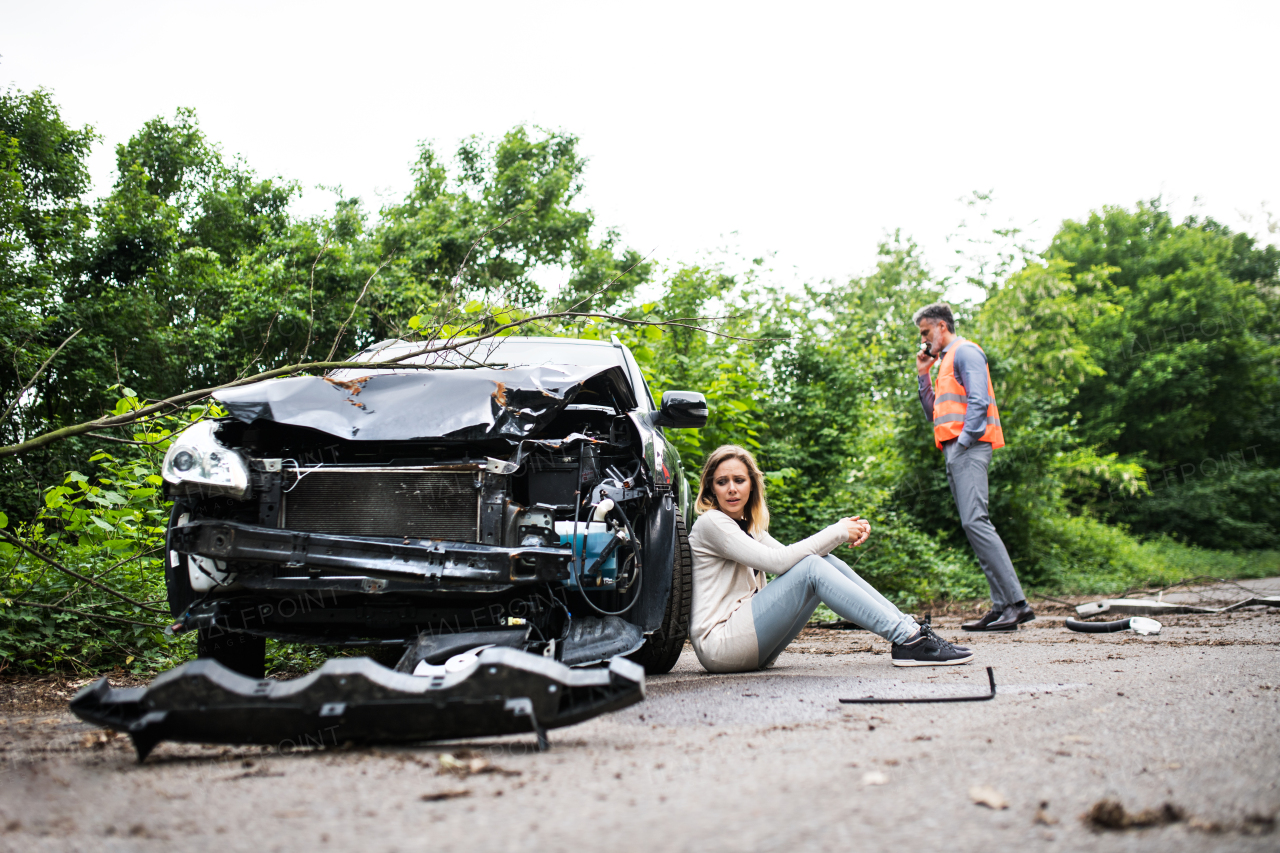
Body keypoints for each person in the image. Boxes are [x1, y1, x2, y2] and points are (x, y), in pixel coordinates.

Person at [687, 444, 972, 673]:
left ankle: (911, 631)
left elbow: (792, 562)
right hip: (722, 645)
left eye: (739, 480)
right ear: (711, 488)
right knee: (812, 566)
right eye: (722, 482)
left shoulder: (747, 525)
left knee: (824, 564)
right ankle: (908, 639)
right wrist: (837, 532)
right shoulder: (712, 523)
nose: (732, 489)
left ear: (752, 486)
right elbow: (778, 564)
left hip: (748, 641)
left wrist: (845, 531)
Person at [913, 301, 1034, 632]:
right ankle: (1002, 607)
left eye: (925, 332)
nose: (923, 340)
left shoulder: (965, 352)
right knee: (972, 524)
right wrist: (923, 374)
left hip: (968, 447)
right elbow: (932, 413)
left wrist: (963, 443)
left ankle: (1018, 605)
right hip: (954, 449)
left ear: (941, 326)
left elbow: (979, 401)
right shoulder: (943, 362)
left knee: (977, 522)